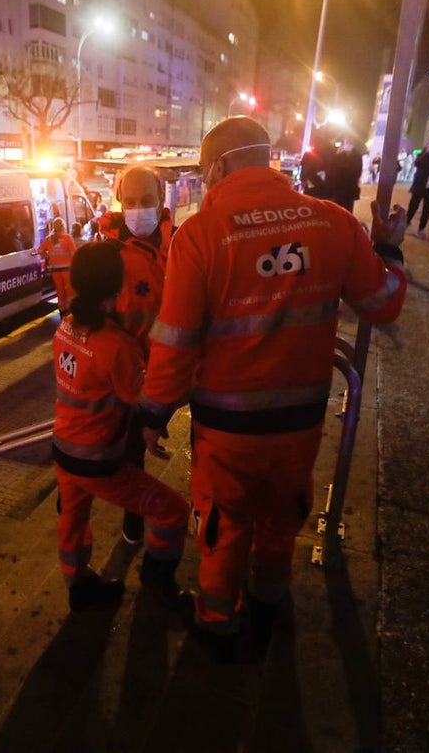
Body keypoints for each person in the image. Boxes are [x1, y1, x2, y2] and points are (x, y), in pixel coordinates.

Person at [139, 116, 408, 657]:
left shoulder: (199, 235)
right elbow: (384, 304)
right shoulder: (334, 222)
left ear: (219, 165)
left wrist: (151, 412)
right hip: (302, 420)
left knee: (223, 524)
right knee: (281, 517)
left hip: (227, 428)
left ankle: (216, 621)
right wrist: (392, 252)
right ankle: (268, 606)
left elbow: (174, 342)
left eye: (203, 170)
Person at [52, 242, 190, 613]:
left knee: (73, 521)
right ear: (116, 292)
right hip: (99, 460)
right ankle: (157, 580)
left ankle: (78, 586)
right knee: (173, 511)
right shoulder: (116, 346)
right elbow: (146, 398)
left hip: (64, 451)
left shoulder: (65, 327)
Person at [95, 164, 175, 547]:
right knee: (131, 455)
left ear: (161, 201)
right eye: (130, 201)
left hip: (170, 372)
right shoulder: (105, 254)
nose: (138, 209)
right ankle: (133, 520)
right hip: (130, 379)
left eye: (146, 201)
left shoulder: (179, 246)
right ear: (119, 202)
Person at [35, 216, 77, 314]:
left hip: (55, 269)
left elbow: (40, 251)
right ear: (63, 226)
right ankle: (70, 309)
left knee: (60, 289)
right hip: (67, 269)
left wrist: (48, 256)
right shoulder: (67, 238)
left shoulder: (49, 239)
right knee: (69, 289)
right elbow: (73, 253)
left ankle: (62, 308)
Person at [325, 136, 364, 213]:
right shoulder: (338, 155)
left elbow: (358, 170)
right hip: (339, 187)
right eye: (346, 143)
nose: (348, 145)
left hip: (350, 187)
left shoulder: (357, 155)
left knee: (349, 209)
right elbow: (332, 169)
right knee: (338, 208)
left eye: (350, 143)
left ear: (353, 144)